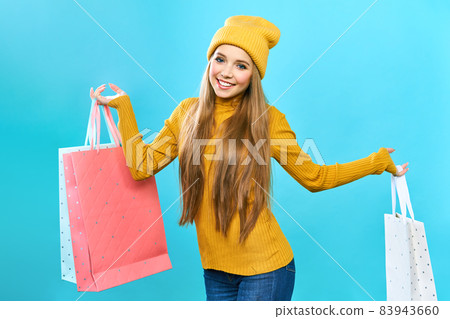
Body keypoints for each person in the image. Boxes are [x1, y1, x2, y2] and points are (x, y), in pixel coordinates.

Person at [90, 15, 409, 301]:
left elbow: (315, 178)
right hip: (215, 270)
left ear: (254, 75)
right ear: (210, 62)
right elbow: (141, 167)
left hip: (267, 269)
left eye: (241, 66)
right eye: (220, 59)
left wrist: (376, 162)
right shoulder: (187, 113)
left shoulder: (269, 120)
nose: (226, 73)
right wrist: (124, 109)